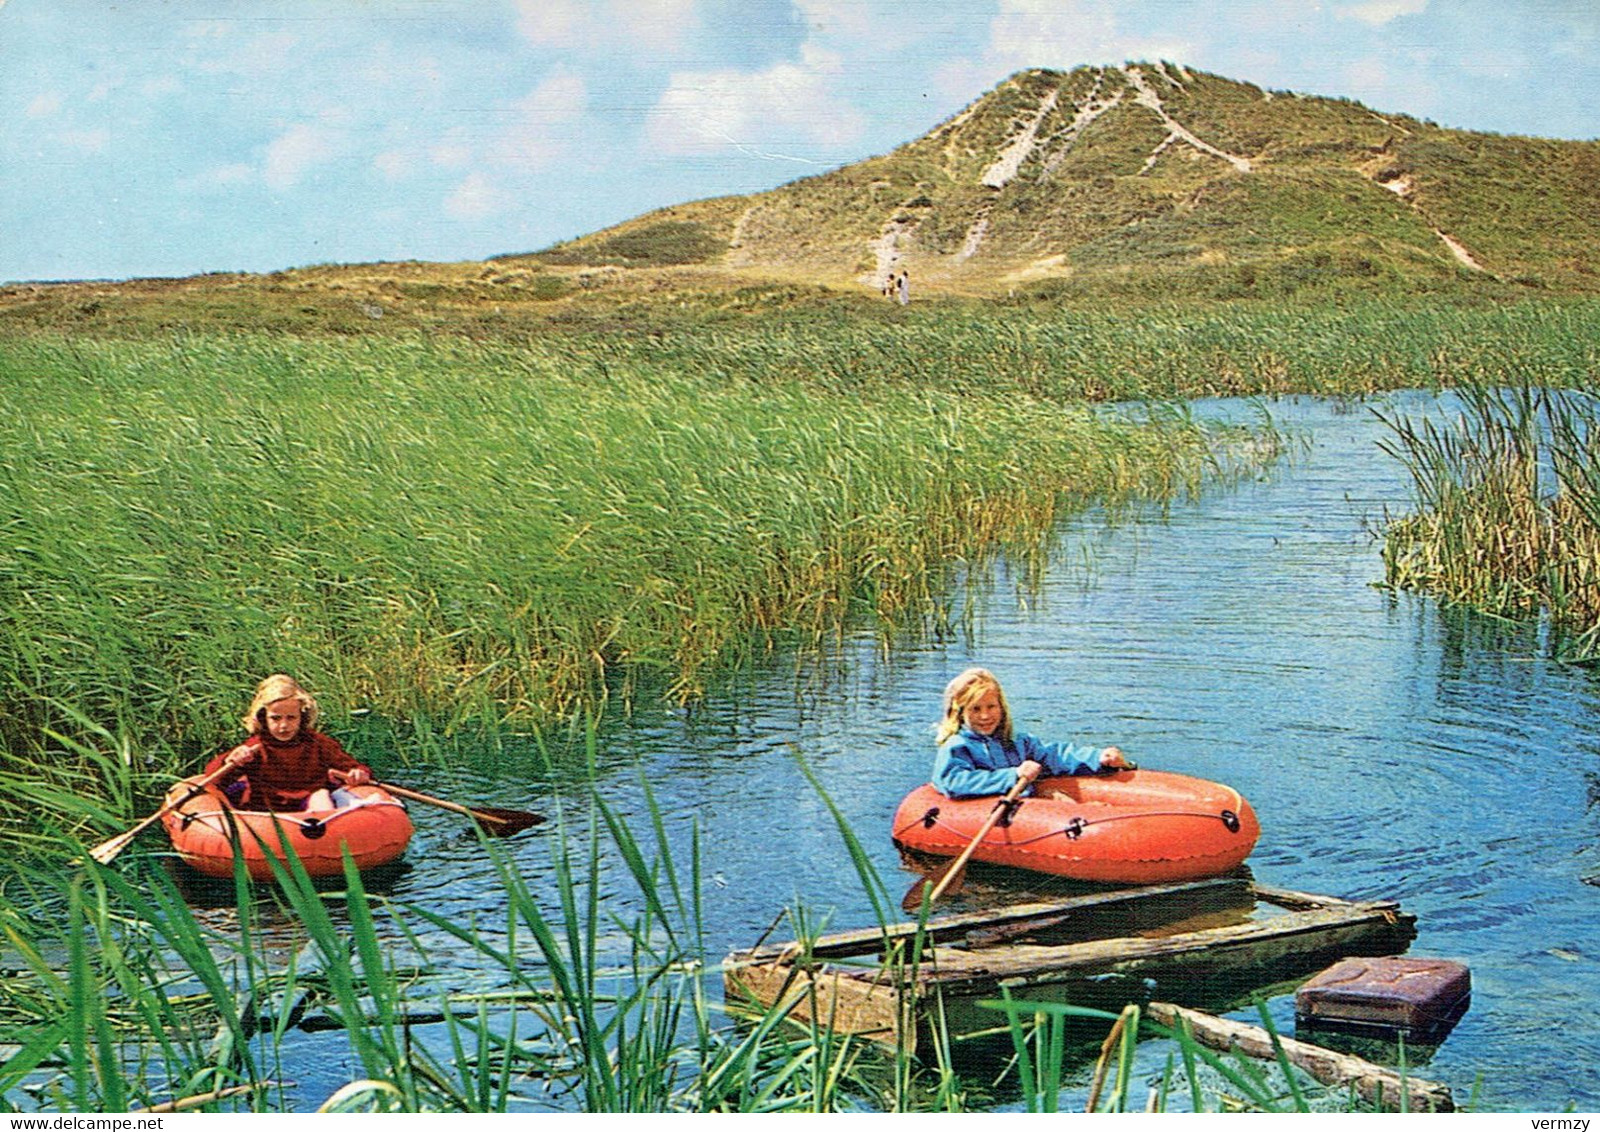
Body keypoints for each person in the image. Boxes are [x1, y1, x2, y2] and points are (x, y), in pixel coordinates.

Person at [931, 667, 1128, 799]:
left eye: (991, 707)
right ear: (960, 713)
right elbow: (954, 782)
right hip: (985, 814)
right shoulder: (958, 747)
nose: (985, 716)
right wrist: (1013, 775)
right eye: (975, 709)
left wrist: (1097, 757)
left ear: (1001, 707)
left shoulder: (1017, 742)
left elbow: (1054, 756)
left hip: (1025, 809)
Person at [203, 674, 373, 812]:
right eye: (275, 718)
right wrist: (233, 760)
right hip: (268, 807)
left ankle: (324, 836)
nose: (283, 726)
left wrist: (358, 773)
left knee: (320, 795)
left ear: (302, 717)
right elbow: (213, 778)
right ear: (263, 718)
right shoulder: (256, 747)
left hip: (309, 800)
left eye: (291, 718)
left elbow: (351, 767)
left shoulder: (318, 743)